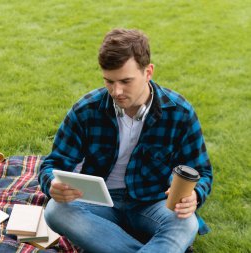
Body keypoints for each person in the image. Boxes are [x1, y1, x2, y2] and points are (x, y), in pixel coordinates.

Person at [38, 28, 213, 253]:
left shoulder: (180, 112)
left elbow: (202, 171)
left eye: (125, 81)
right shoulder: (86, 110)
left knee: (186, 224)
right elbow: (52, 164)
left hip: (152, 203)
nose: (116, 91)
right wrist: (52, 184)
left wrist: (195, 195)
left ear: (148, 72)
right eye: (109, 81)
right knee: (55, 211)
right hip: (100, 203)